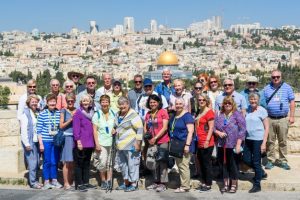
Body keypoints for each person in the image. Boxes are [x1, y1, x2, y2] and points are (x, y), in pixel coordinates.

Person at [263, 69, 295, 170]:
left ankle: (283, 160)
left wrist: (292, 116)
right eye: (273, 77)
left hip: (283, 119)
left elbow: (292, 102)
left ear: (281, 77)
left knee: (283, 141)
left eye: (278, 77)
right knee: (270, 141)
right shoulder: (266, 88)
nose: (275, 78)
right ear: (271, 78)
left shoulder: (287, 87)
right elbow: (263, 104)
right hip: (270, 119)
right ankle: (270, 160)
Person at [214, 96, 246, 193]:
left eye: (229, 103)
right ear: (223, 104)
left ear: (233, 105)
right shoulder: (220, 115)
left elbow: (243, 130)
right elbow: (214, 128)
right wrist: (218, 133)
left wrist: (238, 144)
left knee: (233, 165)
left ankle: (234, 184)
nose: (227, 105)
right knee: (223, 165)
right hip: (222, 145)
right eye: (226, 103)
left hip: (233, 145)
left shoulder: (237, 115)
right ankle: (226, 184)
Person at [114, 96, 143, 192]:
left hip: (131, 144)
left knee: (132, 164)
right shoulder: (117, 114)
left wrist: (138, 143)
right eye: (120, 105)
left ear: (128, 104)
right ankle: (126, 182)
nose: (122, 107)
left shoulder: (133, 115)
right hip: (120, 145)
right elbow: (116, 126)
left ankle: (134, 184)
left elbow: (140, 129)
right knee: (123, 165)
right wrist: (114, 129)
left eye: (124, 105)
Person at [243, 93, 269, 193]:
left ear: (258, 100)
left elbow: (266, 128)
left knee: (256, 161)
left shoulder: (262, 111)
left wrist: (264, 143)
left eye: (254, 99)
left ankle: (257, 184)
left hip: (258, 140)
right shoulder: (247, 109)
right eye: (251, 99)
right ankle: (261, 172)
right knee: (246, 159)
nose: (252, 101)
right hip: (248, 139)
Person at [144, 94, 169, 192]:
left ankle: (163, 183)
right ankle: (156, 181)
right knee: (153, 161)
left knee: (162, 162)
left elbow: (165, 127)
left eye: (154, 102)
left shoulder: (163, 112)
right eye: (151, 102)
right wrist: (148, 138)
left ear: (158, 103)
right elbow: (145, 127)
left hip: (162, 140)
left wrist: (156, 137)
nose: (152, 104)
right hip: (151, 141)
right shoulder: (148, 114)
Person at [169, 98, 195, 193]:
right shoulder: (175, 115)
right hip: (177, 144)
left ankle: (185, 186)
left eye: (180, 104)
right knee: (180, 165)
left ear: (184, 105)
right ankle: (184, 183)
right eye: (177, 104)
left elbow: (190, 131)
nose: (178, 105)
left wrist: (187, 145)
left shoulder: (187, 116)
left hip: (184, 144)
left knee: (184, 166)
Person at [37, 93, 62, 189]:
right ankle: (46, 181)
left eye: (54, 101)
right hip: (46, 141)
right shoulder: (42, 114)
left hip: (56, 141)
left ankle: (54, 180)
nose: (52, 103)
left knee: (54, 161)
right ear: (47, 103)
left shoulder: (59, 113)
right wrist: (41, 144)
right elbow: (38, 130)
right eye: (50, 101)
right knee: (47, 161)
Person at [92, 95, 115, 190]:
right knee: (103, 162)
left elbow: (116, 125)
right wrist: (97, 144)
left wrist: (115, 129)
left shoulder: (113, 113)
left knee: (110, 163)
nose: (105, 104)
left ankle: (109, 180)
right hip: (101, 143)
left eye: (106, 102)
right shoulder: (97, 114)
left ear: (109, 103)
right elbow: (94, 131)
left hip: (112, 142)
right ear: (100, 103)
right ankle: (103, 180)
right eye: (103, 102)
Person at [73, 94, 96, 191]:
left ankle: (86, 182)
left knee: (87, 163)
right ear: (81, 102)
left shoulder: (92, 113)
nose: (86, 102)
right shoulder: (78, 112)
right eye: (84, 101)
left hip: (90, 143)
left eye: (87, 100)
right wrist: (78, 141)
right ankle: (79, 184)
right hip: (81, 143)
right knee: (79, 164)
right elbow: (76, 128)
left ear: (90, 102)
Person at [20, 94, 42, 189]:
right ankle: (32, 183)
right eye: (32, 101)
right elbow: (23, 130)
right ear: (28, 103)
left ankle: (35, 180)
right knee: (32, 163)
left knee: (37, 162)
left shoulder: (37, 112)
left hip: (36, 141)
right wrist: (27, 144)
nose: (34, 103)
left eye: (36, 101)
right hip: (29, 141)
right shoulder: (25, 114)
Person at [195, 94, 215, 192]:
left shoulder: (209, 112)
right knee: (201, 162)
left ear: (206, 101)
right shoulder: (199, 111)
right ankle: (203, 182)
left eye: (203, 100)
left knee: (206, 163)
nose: (201, 101)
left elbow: (211, 127)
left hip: (206, 141)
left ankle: (208, 184)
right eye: (199, 100)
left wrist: (207, 140)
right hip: (199, 141)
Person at [59, 93, 76, 190]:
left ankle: (70, 181)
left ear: (74, 100)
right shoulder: (63, 111)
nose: (70, 102)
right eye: (68, 101)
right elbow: (61, 126)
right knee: (66, 161)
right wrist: (71, 119)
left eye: (72, 100)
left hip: (75, 138)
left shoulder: (77, 110)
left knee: (72, 162)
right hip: (67, 138)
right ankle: (66, 183)